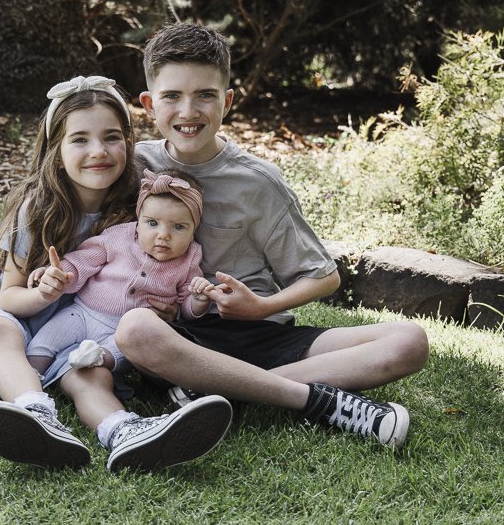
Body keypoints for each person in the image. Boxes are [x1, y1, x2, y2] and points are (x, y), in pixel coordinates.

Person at [115, 24, 430, 448]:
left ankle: (216, 392)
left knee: (409, 341)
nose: (188, 111)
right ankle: (312, 400)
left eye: (205, 95)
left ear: (227, 101)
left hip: (257, 334)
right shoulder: (136, 165)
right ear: (149, 104)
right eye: (172, 96)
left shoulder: (259, 181)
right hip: (181, 338)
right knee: (136, 329)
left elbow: (324, 277)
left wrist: (261, 307)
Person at [0, 76, 232, 473]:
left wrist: (169, 308)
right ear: (56, 151)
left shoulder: (141, 205)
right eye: (80, 139)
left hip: (94, 323)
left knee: (89, 374)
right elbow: (9, 299)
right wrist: (44, 294)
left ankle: (122, 431)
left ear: (128, 143)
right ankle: (34, 413)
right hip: (25, 314)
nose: (98, 151)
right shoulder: (38, 208)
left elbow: (161, 275)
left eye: (112, 137)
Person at [25, 169, 211, 379]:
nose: (163, 235)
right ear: (138, 222)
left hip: (127, 333)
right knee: (45, 340)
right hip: (83, 313)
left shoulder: (190, 257)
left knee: (121, 353)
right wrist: (59, 274)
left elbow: (185, 303)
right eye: (152, 223)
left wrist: (198, 300)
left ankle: (95, 359)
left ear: (193, 231)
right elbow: (81, 261)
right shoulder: (118, 236)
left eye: (178, 227)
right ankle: (28, 375)